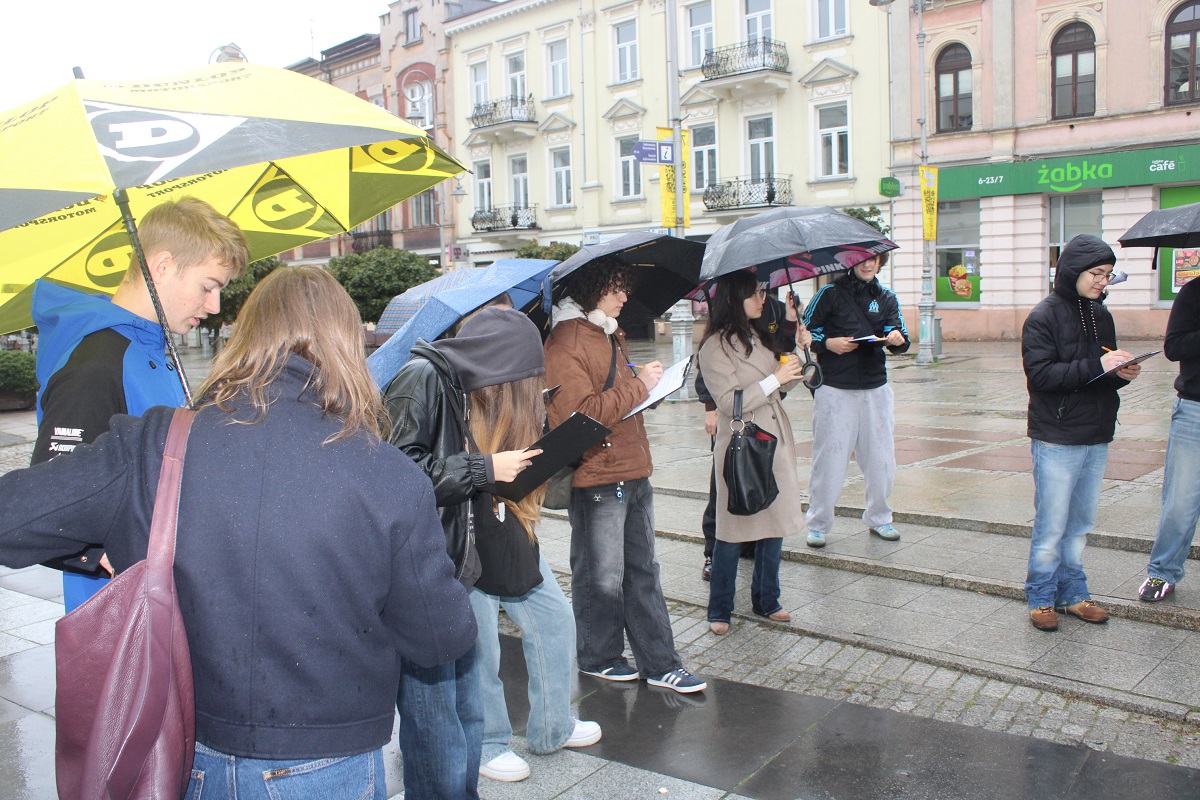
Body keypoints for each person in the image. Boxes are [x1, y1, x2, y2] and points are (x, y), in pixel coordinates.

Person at [0, 265, 476, 797]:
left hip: (183, 747)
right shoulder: (387, 474)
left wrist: (99, 550)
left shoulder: (153, 444)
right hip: (326, 756)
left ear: (245, 338)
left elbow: (13, 517)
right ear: (346, 345)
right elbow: (442, 638)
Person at [385, 307, 601, 786]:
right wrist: (484, 468)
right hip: (455, 540)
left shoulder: (468, 386)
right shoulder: (424, 378)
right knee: (480, 647)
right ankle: (489, 743)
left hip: (499, 525)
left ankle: (554, 726)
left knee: (554, 620)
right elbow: (396, 474)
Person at [30, 196, 247, 612]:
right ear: (162, 267)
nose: (214, 306)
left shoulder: (151, 350)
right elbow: (48, 506)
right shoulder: (96, 365)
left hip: (168, 600)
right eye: (208, 287)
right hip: (127, 615)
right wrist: (108, 555)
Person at [544, 257, 707, 694]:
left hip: (632, 466)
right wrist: (639, 386)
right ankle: (598, 656)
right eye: (614, 287)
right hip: (598, 475)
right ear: (591, 288)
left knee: (642, 571)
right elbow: (579, 417)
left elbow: (617, 398)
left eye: (625, 287)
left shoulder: (607, 333)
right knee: (601, 575)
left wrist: (653, 388)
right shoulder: (565, 343)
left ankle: (661, 663)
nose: (624, 296)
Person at [1022, 234, 1141, 631]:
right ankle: (1041, 596)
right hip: (1057, 435)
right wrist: (1098, 367)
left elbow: (1100, 370)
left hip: (1096, 430)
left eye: (1108, 275)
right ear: (1073, 271)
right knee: (1052, 523)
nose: (1103, 282)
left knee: (1080, 523)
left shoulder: (1100, 314)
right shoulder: (1043, 316)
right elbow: (1040, 376)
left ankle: (1073, 593)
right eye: (1097, 274)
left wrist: (1120, 374)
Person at [699, 272, 809, 635]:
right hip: (742, 443)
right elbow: (728, 401)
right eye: (755, 294)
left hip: (774, 438)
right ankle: (720, 607)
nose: (763, 300)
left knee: (773, 524)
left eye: (762, 293)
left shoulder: (757, 335)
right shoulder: (714, 346)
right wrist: (776, 379)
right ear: (733, 299)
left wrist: (800, 355)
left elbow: (781, 387)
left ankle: (767, 599)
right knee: (733, 528)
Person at [802, 253, 910, 548]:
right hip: (834, 388)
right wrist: (828, 344)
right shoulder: (828, 293)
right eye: (862, 258)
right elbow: (806, 332)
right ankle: (818, 523)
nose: (868, 264)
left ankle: (880, 517)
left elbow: (898, 332)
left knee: (881, 459)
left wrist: (897, 338)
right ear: (850, 260)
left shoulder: (886, 297)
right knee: (829, 458)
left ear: (881, 262)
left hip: (876, 388)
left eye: (874, 259)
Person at [1141, 270, 1200, 603]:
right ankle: (1163, 571)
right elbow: (1174, 347)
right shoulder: (1193, 293)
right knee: (1181, 499)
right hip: (1195, 410)